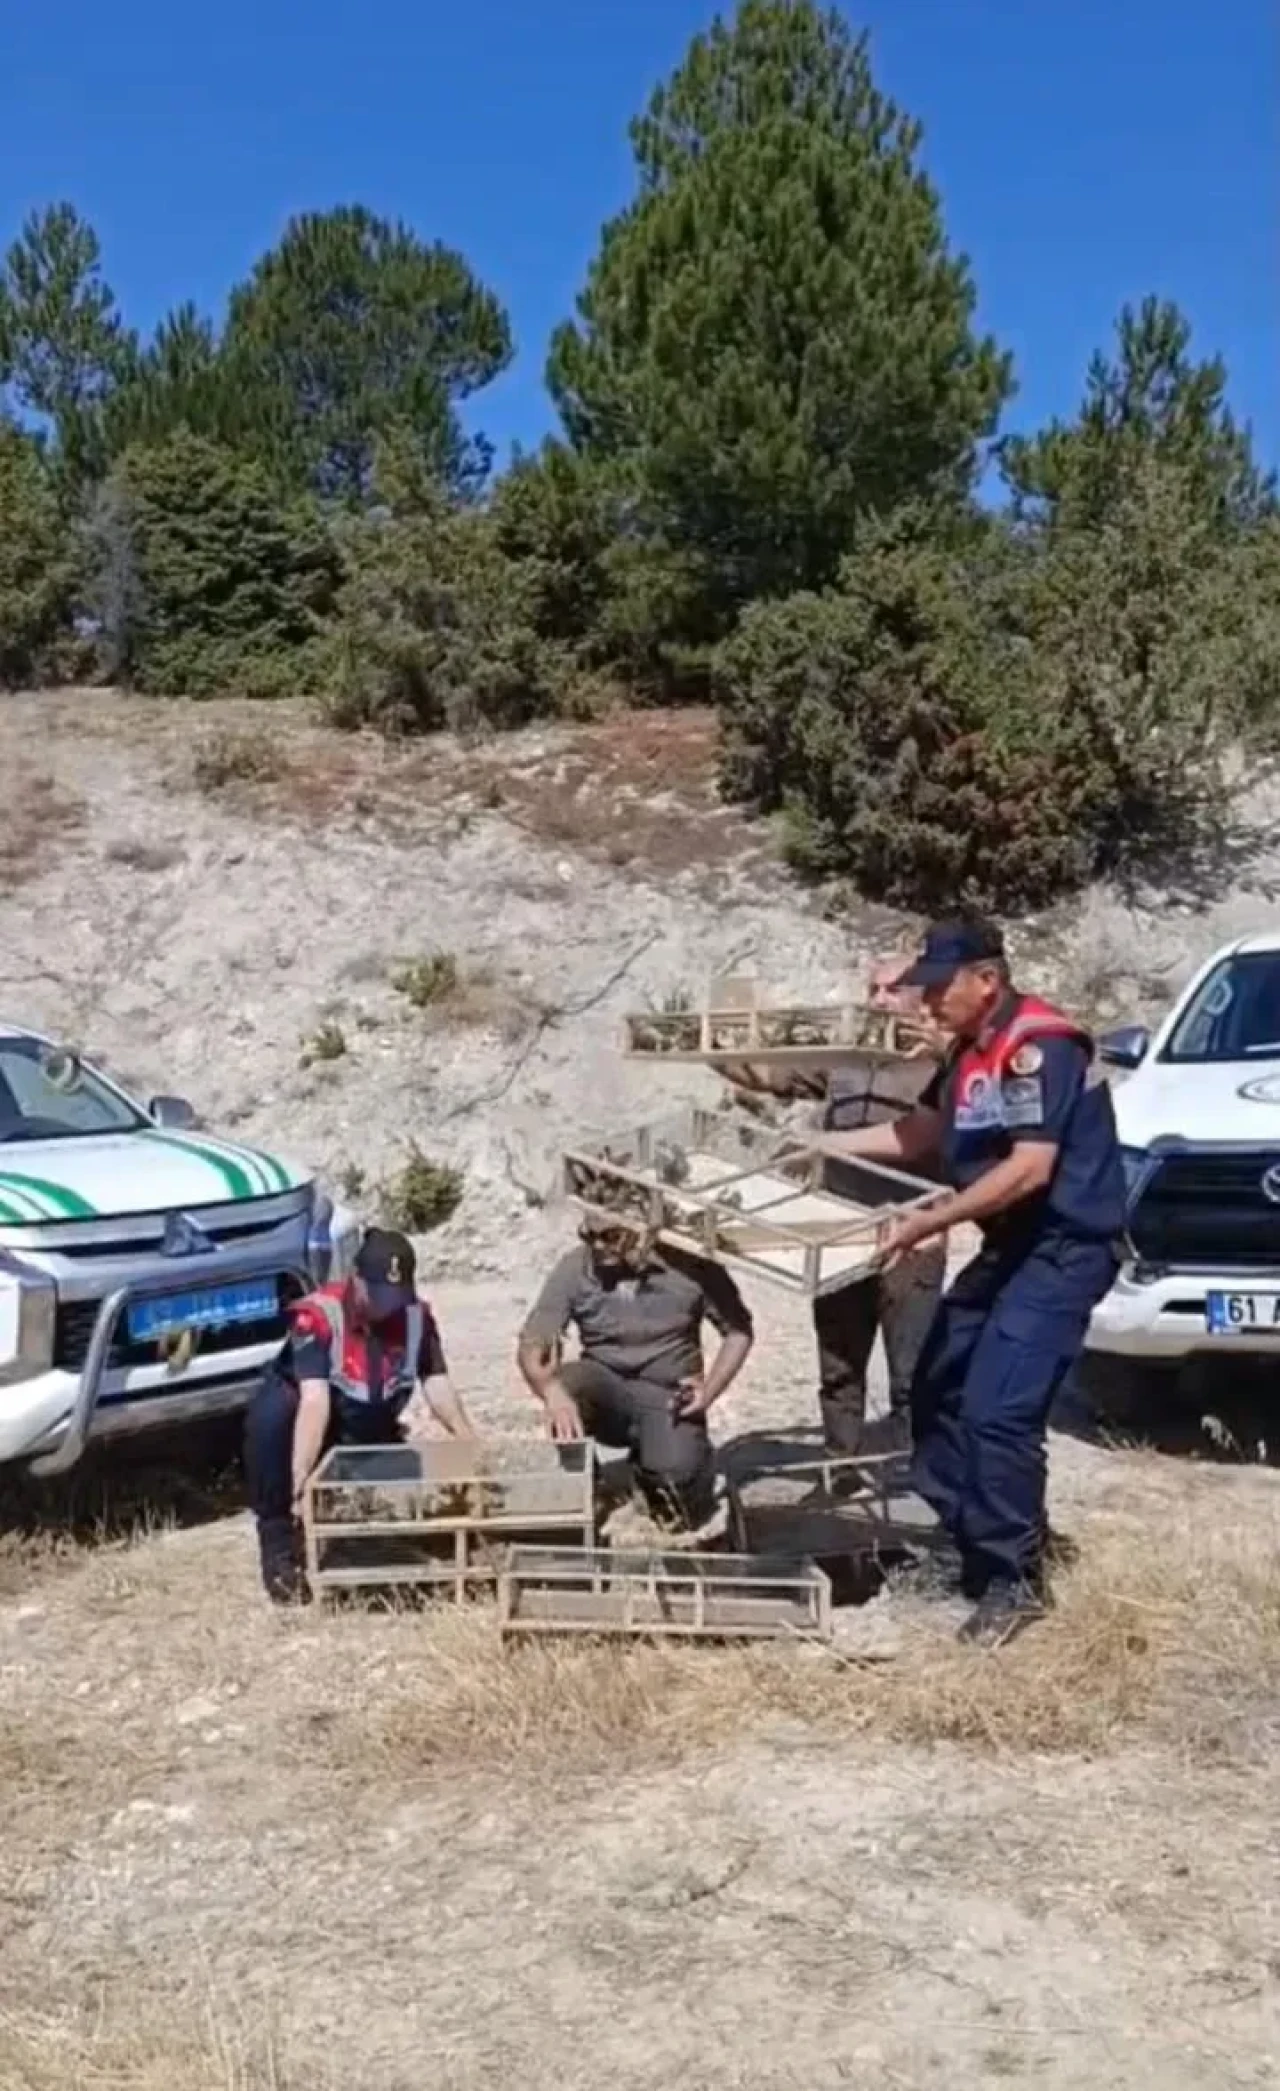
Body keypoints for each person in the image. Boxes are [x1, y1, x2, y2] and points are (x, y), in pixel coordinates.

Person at [809, 919, 1125, 1647]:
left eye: (938, 987)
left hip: (1064, 1249)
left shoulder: (1037, 1048)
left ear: (987, 979)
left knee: (997, 1410)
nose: (926, 1002)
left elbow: (1029, 1167)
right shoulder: (967, 1055)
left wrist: (925, 1221)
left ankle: (1012, 1580)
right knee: (936, 1390)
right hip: (1012, 1246)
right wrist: (814, 1146)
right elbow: (916, 1137)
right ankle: (992, 1537)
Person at [724, 958, 946, 1459]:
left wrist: (819, 1142)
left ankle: (913, 1477)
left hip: (912, 1235)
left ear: (922, 995)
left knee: (912, 1369)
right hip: (839, 1230)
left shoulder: (941, 1065)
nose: (880, 999)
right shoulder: (846, 1055)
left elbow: (923, 1143)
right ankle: (839, 1467)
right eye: (873, 988)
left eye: (894, 989)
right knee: (839, 1365)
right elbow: (770, 1071)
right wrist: (714, 1047)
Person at [244, 1227, 476, 1602]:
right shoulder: (319, 1315)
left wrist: (469, 1442)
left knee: (391, 1525)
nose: (389, 1305)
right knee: (270, 1416)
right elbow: (314, 1402)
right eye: (381, 1294)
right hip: (310, 1416)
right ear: (357, 1280)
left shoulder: (416, 1317)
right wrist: (299, 1479)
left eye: (397, 1295)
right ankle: (280, 1543)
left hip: (367, 1419)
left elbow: (436, 1382)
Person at [516, 1215, 755, 1531]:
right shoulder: (576, 1267)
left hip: (667, 1394)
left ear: (642, 1231)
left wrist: (708, 1391)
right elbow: (533, 1343)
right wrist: (551, 1390)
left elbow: (739, 1331)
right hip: (605, 1387)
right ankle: (588, 1489)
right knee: (568, 1384)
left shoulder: (691, 1265)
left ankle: (658, 1471)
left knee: (677, 1478)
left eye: (611, 1236)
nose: (599, 1246)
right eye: (590, 1236)